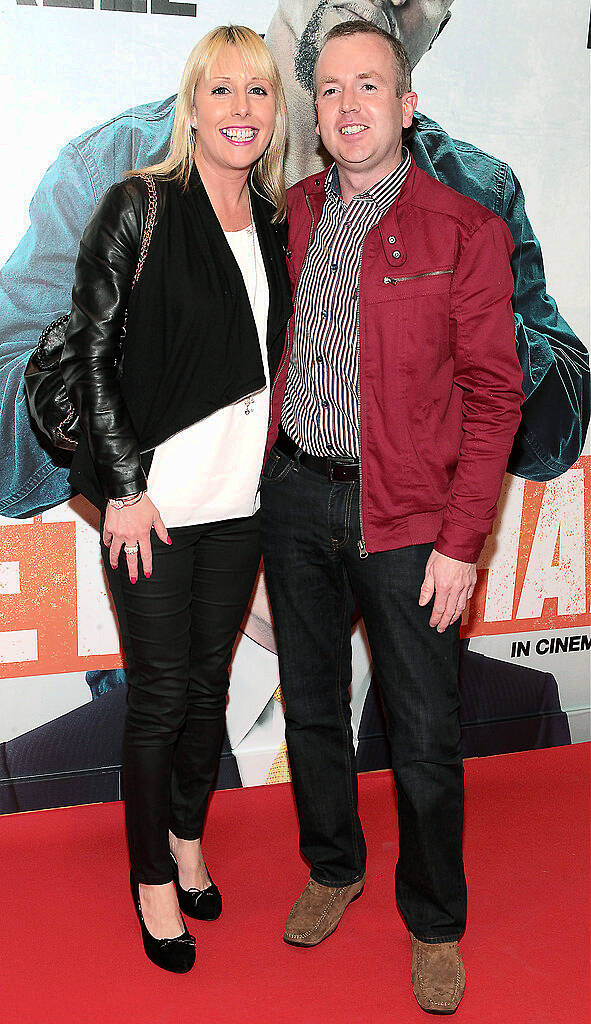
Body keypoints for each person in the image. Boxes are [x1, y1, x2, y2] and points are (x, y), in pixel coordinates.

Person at [0, 0, 587, 524]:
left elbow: (561, 416)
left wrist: (459, 323)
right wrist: (110, 367)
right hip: (183, 518)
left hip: (384, 524)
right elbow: (10, 430)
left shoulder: (474, 196)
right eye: (332, 88)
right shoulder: (120, 165)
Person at [260, 20, 523, 1014]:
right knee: (314, 704)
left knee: (422, 727)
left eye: (369, 85)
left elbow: (498, 395)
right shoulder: (293, 210)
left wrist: (464, 541)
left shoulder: (465, 228)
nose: (348, 105)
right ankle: (333, 865)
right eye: (329, 91)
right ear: (315, 115)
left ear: (406, 105)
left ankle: (437, 921)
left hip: (410, 513)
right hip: (294, 494)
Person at [60, 24, 291, 973]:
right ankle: (153, 879)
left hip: (240, 508)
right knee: (159, 701)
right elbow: (91, 350)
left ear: (276, 114)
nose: (241, 109)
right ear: (191, 104)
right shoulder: (138, 205)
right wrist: (120, 489)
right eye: (222, 90)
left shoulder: (281, 224)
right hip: (148, 510)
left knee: (204, 693)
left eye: (260, 93)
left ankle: (190, 838)